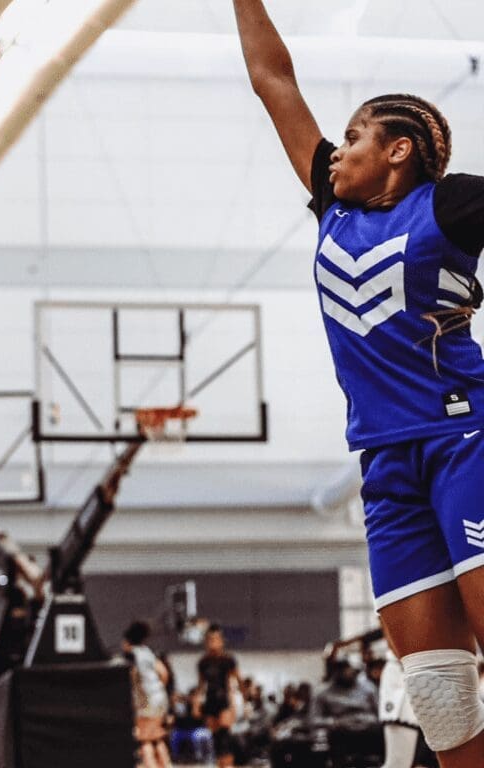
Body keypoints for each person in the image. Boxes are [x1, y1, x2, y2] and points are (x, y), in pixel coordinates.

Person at [232, 2, 484, 766]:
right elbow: (272, 80)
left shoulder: (448, 205)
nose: (334, 154)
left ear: (398, 151)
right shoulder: (332, 212)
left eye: (352, 140)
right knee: (438, 696)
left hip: (463, 441)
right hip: (384, 466)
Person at [122, 620, 170, 768]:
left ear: (128, 641)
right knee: (157, 738)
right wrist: (157, 689)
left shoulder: (131, 656)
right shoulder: (148, 652)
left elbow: (131, 679)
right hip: (159, 697)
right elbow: (164, 673)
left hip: (146, 701)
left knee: (145, 741)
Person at [197, 624, 240, 768]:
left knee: (225, 737)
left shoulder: (228, 660)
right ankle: (219, 765)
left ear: (221, 641)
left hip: (225, 701)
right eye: (210, 640)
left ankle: (228, 765)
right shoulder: (203, 662)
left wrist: (236, 705)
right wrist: (196, 704)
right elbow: (201, 686)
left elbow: (235, 682)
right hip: (210, 702)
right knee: (215, 739)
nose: (213, 643)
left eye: (216, 639)